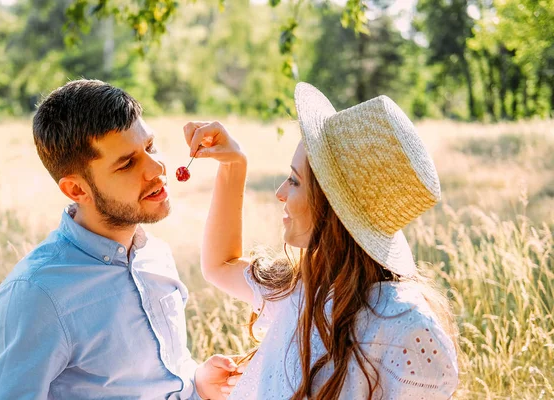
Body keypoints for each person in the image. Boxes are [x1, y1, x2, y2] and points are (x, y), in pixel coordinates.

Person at [183, 82, 459, 399]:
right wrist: (234, 165)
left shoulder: (408, 329)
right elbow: (220, 264)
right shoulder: (303, 286)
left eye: (295, 181)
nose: (280, 193)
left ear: (332, 208)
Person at [0, 79, 240, 400]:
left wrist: (196, 380)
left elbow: (153, 376)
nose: (157, 167)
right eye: (127, 163)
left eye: (149, 147)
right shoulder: (36, 296)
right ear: (77, 190)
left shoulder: (154, 255)